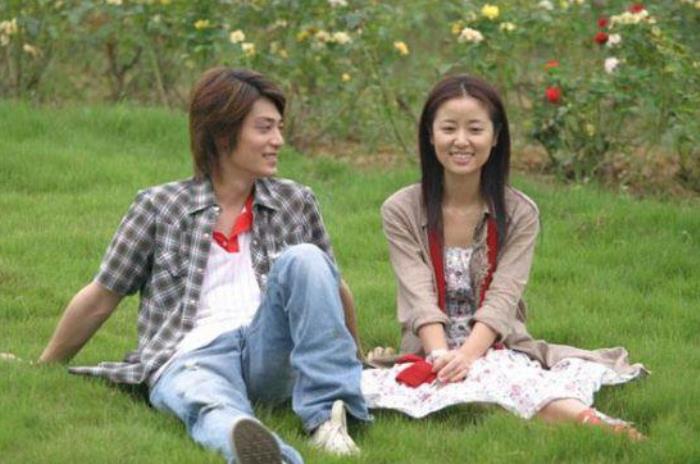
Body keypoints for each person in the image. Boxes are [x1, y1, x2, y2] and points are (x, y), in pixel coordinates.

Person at [38, 67, 370, 463]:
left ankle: (329, 419)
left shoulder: (295, 201)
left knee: (307, 258)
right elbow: (101, 296)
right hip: (190, 355)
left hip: (266, 348)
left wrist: (358, 359)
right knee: (206, 402)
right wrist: (44, 366)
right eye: (264, 128)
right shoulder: (159, 206)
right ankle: (259, 449)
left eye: (279, 128)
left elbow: (328, 287)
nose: (278, 141)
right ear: (223, 133)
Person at [362, 74, 646, 439]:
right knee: (364, 389)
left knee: (505, 377)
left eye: (475, 129)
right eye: (448, 128)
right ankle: (570, 418)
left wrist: (468, 356)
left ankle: (597, 425)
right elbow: (418, 296)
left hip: (495, 342)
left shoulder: (520, 213)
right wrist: (442, 357)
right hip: (430, 348)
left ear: (495, 137)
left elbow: (503, 298)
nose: (461, 140)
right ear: (430, 135)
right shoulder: (399, 209)